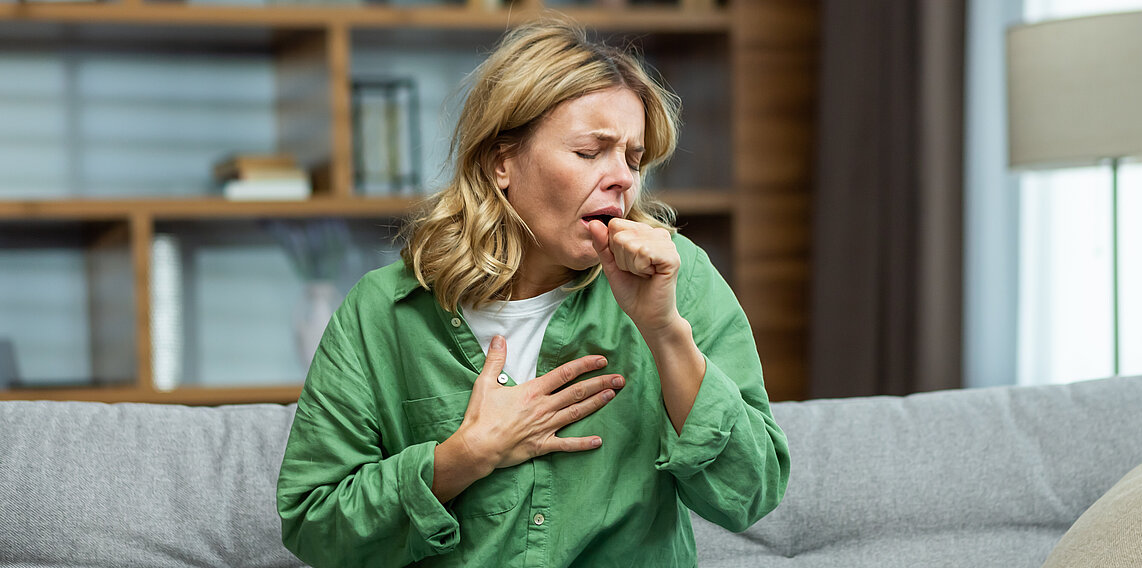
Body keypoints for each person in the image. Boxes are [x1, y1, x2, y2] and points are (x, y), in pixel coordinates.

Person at [277, 18, 789, 567]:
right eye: (592, 152)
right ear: (503, 162)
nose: (622, 178)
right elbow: (314, 524)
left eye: (633, 158)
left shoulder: (678, 277)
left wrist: (664, 332)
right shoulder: (381, 312)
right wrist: (464, 456)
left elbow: (751, 493)